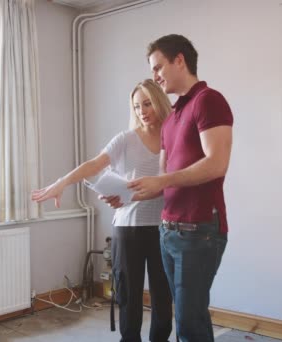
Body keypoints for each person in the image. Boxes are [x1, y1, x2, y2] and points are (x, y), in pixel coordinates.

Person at [31, 79, 174, 342]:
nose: (142, 110)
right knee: (129, 295)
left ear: (160, 101)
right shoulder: (126, 139)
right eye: (136, 106)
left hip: (163, 227)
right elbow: (94, 165)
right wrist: (62, 182)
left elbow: (174, 180)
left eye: (147, 103)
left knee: (163, 295)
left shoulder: (173, 136)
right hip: (127, 229)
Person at [119, 34, 234, 342]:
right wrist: (126, 193)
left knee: (188, 323)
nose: (155, 76)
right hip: (168, 231)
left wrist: (163, 180)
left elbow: (217, 163)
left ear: (180, 60)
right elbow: (161, 180)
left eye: (159, 67)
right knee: (188, 318)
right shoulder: (171, 120)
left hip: (199, 230)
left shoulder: (209, 100)